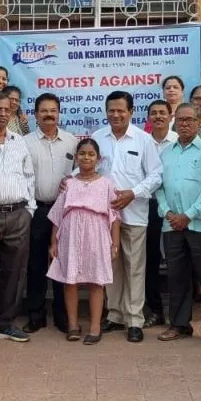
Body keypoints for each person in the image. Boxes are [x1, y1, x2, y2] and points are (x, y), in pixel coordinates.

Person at [93, 91, 162, 343]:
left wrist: (133, 193)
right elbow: (87, 167)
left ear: (131, 112)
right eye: (111, 110)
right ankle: (114, 315)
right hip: (105, 216)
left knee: (134, 267)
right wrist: (71, 179)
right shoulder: (97, 138)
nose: (116, 115)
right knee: (111, 266)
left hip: (134, 214)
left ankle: (134, 319)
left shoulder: (143, 140)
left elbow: (156, 175)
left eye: (121, 110)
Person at [156, 104, 201, 342]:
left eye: (190, 120)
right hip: (171, 225)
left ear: (198, 123)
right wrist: (168, 212)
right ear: (175, 122)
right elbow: (158, 186)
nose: (184, 124)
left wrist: (189, 215)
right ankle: (179, 325)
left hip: (200, 225)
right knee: (177, 277)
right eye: (181, 120)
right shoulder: (166, 153)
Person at [48, 138, 121, 344]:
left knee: (96, 282)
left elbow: (115, 217)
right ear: (76, 157)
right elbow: (57, 215)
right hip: (70, 237)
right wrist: (53, 242)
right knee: (70, 281)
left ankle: (95, 327)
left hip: (97, 237)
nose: (86, 157)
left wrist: (115, 244)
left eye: (91, 154)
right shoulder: (68, 184)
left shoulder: (106, 184)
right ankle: (72, 325)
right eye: (82, 154)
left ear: (98, 159)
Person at [0, 92, 36, 343]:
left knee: (15, 272)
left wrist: (29, 210)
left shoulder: (19, 141)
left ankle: (6, 323)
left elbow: (29, 176)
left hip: (18, 215)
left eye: (7, 109)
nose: (3, 113)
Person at [24, 93, 78, 334]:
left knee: (62, 262)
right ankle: (35, 314)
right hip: (36, 209)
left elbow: (79, 171)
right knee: (35, 263)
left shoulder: (71, 141)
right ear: (36, 115)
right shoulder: (25, 142)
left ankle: (62, 314)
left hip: (65, 211)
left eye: (53, 111)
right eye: (44, 111)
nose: (49, 115)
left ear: (59, 113)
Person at [144, 99, 177, 329]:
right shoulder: (143, 141)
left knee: (177, 262)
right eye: (153, 113)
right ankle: (155, 310)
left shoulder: (177, 140)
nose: (158, 116)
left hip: (175, 210)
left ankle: (179, 314)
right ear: (148, 118)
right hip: (148, 208)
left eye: (162, 113)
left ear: (170, 116)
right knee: (151, 261)